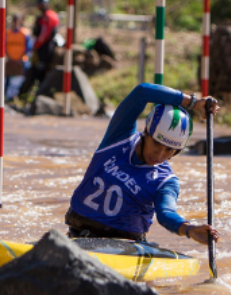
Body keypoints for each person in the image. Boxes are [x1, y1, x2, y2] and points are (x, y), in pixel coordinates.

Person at [66, 83, 222, 245]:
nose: (160, 154)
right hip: (78, 233)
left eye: (170, 150)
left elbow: (166, 213)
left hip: (125, 246)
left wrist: (189, 229)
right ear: (146, 133)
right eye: (156, 144)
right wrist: (193, 103)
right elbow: (142, 92)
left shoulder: (166, 181)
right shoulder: (119, 138)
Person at [18, 0, 61, 98]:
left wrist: (35, 46)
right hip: (46, 47)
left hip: (44, 48)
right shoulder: (50, 15)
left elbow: (44, 34)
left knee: (38, 71)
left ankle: (33, 94)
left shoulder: (47, 16)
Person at [4, 14, 31, 102]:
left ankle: (17, 97)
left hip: (21, 61)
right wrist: (9, 57)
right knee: (6, 80)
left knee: (19, 81)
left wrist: (19, 58)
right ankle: (6, 97)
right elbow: (4, 46)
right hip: (10, 60)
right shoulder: (7, 33)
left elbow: (27, 48)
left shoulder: (24, 33)